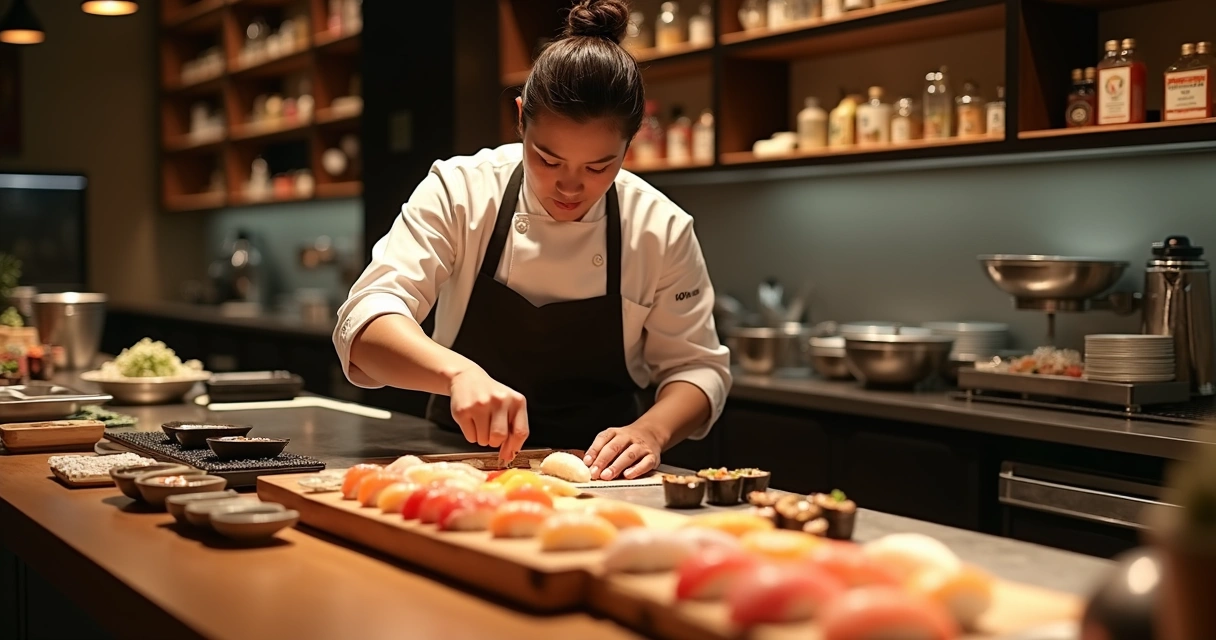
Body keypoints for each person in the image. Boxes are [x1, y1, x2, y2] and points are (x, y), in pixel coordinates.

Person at [333, 0, 730, 481]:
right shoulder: (462, 189)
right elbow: (366, 322)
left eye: (599, 167)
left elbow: (698, 368)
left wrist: (651, 432)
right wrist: (457, 373)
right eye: (548, 158)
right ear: (521, 118)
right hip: (458, 460)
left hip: (601, 472)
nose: (569, 186)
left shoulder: (659, 227)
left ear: (631, 143)